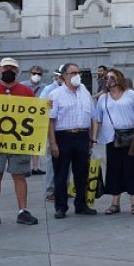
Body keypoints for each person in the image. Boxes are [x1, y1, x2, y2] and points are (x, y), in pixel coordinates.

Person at [0, 58, 40, 228]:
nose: (9, 70)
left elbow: (34, 116)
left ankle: (23, 211)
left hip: (19, 141)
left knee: (19, 176)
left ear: (17, 72)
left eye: (12, 68)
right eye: (6, 67)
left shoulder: (26, 92)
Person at [92, 68, 134, 215]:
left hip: (130, 138)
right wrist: (94, 138)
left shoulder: (130, 94)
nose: (109, 80)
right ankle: (114, 203)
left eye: (112, 77)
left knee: (132, 170)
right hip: (111, 138)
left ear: (119, 79)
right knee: (114, 170)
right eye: (107, 78)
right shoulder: (103, 98)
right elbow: (97, 119)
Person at [48, 62, 96, 219]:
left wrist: (90, 138)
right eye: (73, 73)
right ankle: (61, 206)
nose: (77, 75)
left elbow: (91, 117)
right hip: (63, 136)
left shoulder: (85, 92)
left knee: (81, 173)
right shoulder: (56, 94)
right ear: (64, 76)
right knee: (61, 174)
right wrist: (53, 143)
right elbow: (51, 120)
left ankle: (81, 204)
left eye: (78, 72)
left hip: (82, 136)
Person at [40, 65, 64, 200]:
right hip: (53, 129)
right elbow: (41, 108)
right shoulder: (49, 90)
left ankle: (63, 188)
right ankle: (51, 190)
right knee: (52, 161)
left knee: (66, 161)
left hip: (66, 129)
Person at [20, 65, 46, 176]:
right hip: (23, 119)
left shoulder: (45, 87)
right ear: (30, 74)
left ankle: (36, 167)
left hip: (38, 119)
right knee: (24, 144)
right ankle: (24, 168)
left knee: (36, 143)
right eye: (34, 73)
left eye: (39, 74)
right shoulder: (22, 85)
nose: (36, 76)